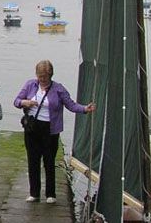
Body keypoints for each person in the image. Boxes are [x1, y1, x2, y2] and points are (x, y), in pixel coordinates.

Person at [14, 60, 96, 204]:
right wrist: (25, 102)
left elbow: (71, 105)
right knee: (33, 161)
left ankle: (51, 194)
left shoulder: (58, 89)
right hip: (32, 128)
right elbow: (16, 101)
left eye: (44, 77)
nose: (42, 79)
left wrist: (84, 109)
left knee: (49, 161)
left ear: (50, 75)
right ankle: (34, 193)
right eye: (40, 76)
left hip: (50, 130)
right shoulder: (30, 85)